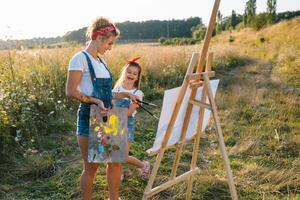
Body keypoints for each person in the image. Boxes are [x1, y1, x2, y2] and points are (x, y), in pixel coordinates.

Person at [66, 17, 139, 200]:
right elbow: (70, 91)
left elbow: (107, 95)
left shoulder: (102, 62)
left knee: (115, 163)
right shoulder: (79, 59)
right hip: (88, 117)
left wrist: (124, 95)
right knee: (91, 168)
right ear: (98, 37)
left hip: (109, 117)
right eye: (109, 43)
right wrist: (94, 101)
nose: (110, 47)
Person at [113, 57, 150, 180]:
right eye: (129, 72)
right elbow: (110, 101)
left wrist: (113, 110)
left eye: (135, 73)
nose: (131, 75)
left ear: (137, 77)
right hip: (114, 123)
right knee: (115, 151)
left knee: (123, 155)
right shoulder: (117, 88)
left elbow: (129, 112)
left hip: (127, 124)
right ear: (124, 72)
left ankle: (143, 165)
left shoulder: (138, 93)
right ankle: (120, 172)